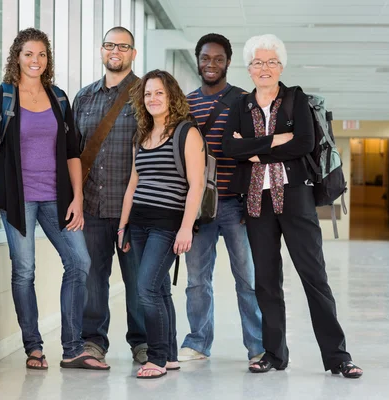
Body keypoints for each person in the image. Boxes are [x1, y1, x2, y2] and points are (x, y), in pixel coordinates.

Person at [222, 33, 363, 378]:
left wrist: (254, 149)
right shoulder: (240, 105)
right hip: (257, 201)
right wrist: (274, 140)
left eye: (271, 61)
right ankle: (274, 354)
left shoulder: (296, 99)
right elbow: (229, 147)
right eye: (257, 62)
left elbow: (303, 143)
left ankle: (337, 357)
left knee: (314, 277)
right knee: (266, 282)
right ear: (249, 68)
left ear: (281, 66)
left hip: (296, 198)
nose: (264, 68)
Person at [0, 28, 108, 371]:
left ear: (47, 60)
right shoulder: (2, 96)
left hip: (56, 197)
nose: (35, 61)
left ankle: (72, 347)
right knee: (24, 271)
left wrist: (77, 198)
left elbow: (72, 153)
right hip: (17, 199)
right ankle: (33, 347)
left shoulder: (58, 98)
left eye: (41, 55)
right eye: (28, 54)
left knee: (79, 262)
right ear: (16, 58)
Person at [179, 33, 264, 366]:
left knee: (247, 279)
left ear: (228, 62)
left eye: (217, 58)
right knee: (197, 280)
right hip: (198, 208)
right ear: (197, 60)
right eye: (205, 58)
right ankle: (198, 342)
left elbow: (260, 155)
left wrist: (252, 204)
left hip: (235, 205)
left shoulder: (245, 101)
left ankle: (258, 347)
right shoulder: (184, 104)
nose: (210, 64)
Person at [118, 69, 205, 378]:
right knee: (160, 289)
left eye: (159, 93)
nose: (152, 98)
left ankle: (155, 358)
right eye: (148, 93)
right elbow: (133, 184)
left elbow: (196, 185)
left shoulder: (186, 132)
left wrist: (186, 228)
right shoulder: (141, 135)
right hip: (138, 223)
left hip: (167, 224)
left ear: (171, 97)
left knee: (146, 288)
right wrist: (123, 226)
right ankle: (168, 355)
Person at [74, 26, 147, 364]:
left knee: (138, 282)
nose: (114, 51)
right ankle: (93, 342)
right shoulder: (83, 97)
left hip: (134, 210)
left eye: (123, 46)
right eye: (108, 45)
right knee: (92, 282)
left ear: (133, 53)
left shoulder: (147, 95)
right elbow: (72, 153)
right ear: (101, 51)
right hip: (90, 207)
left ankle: (143, 342)